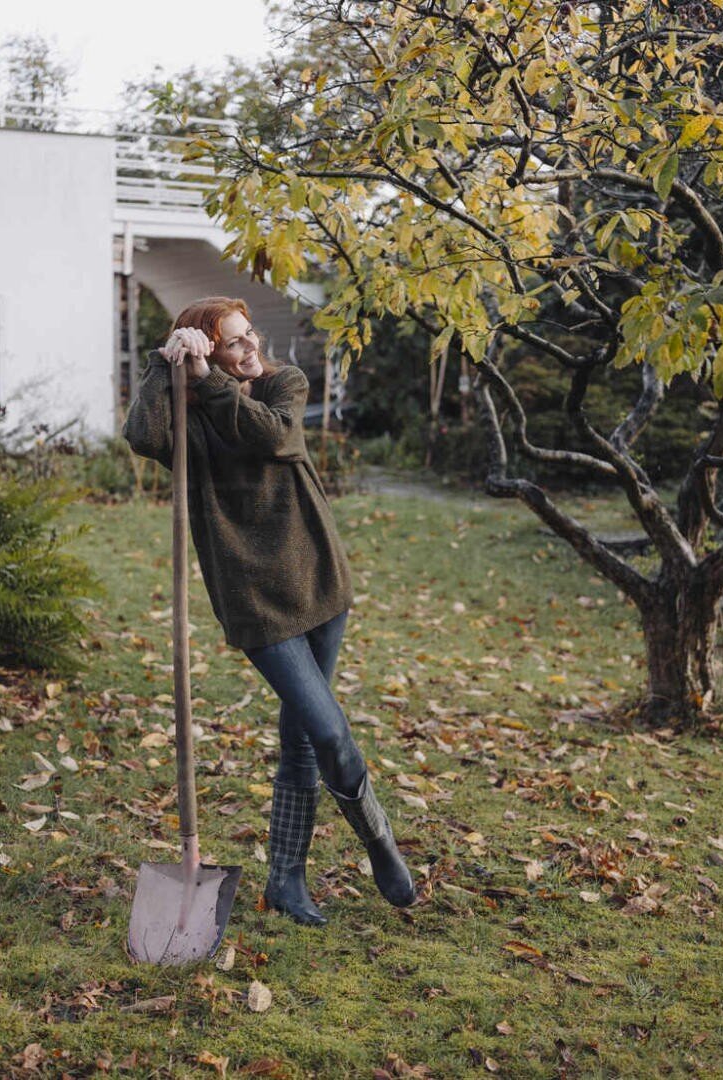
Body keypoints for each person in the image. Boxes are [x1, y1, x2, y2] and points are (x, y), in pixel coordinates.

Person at [122, 296, 415, 926]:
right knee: (328, 729)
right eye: (232, 342)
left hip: (319, 582)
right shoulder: (190, 415)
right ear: (207, 350)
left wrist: (213, 378)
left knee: (304, 737)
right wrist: (162, 366)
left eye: (249, 335)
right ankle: (380, 841)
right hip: (254, 599)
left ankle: (286, 880)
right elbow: (145, 438)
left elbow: (273, 435)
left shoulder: (282, 384)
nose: (250, 347)